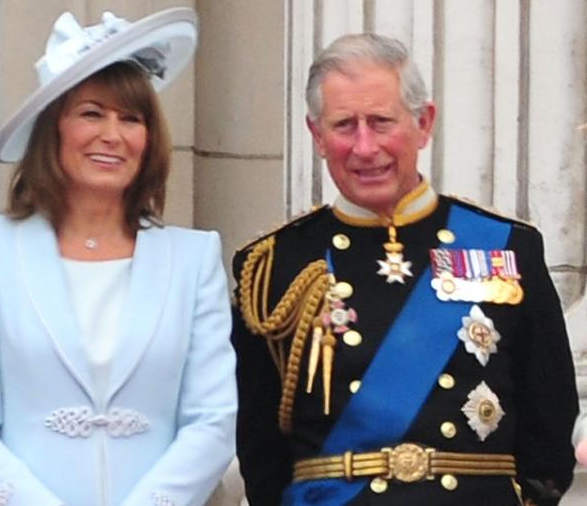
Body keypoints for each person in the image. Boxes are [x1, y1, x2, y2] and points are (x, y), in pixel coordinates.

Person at [231, 32, 578, 505]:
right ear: (316, 136)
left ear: (424, 122)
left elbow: (549, 419)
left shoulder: (507, 247)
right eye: (344, 125)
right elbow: (261, 449)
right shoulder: (274, 266)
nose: (365, 146)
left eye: (381, 122)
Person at [0, 8, 236, 506]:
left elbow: (212, 420)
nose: (112, 135)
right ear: (53, 129)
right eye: (92, 113)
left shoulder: (193, 258)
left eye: (130, 118)